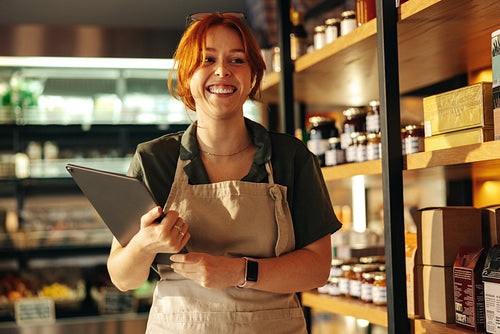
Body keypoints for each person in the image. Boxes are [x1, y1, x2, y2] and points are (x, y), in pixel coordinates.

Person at [107, 12, 342, 333]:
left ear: (254, 76)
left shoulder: (291, 157)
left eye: (237, 59)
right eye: (207, 59)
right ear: (187, 75)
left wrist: (240, 272)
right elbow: (123, 278)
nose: (222, 70)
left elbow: (317, 269)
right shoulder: (155, 159)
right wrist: (143, 245)